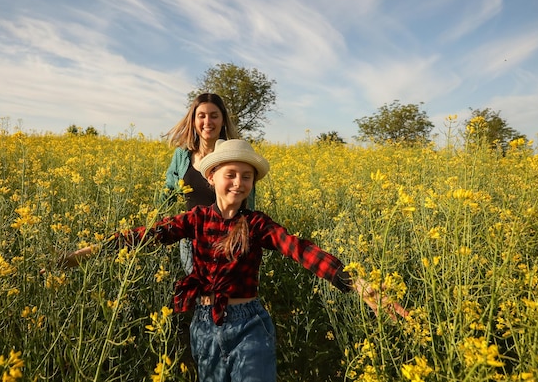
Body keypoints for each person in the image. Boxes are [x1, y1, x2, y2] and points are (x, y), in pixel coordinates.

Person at [63, 139, 407, 381]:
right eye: (231, 174)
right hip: (204, 324)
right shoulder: (195, 218)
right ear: (211, 177)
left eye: (246, 176)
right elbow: (147, 235)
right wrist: (91, 253)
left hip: (249, 326)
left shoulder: (257, 224)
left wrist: (356, 283)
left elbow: (300, 250)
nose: (239, 182)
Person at [163, 93, 255, 275]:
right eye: (202, 116)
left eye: (214, 116)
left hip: (228, 240)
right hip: (191, 241)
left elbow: (248, 201)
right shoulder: (182, 156)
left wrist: (243, 238)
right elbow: (167, 192)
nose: (207, 122)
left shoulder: (235, 155)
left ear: (222, 121)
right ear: (193, 120)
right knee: (200, 297)